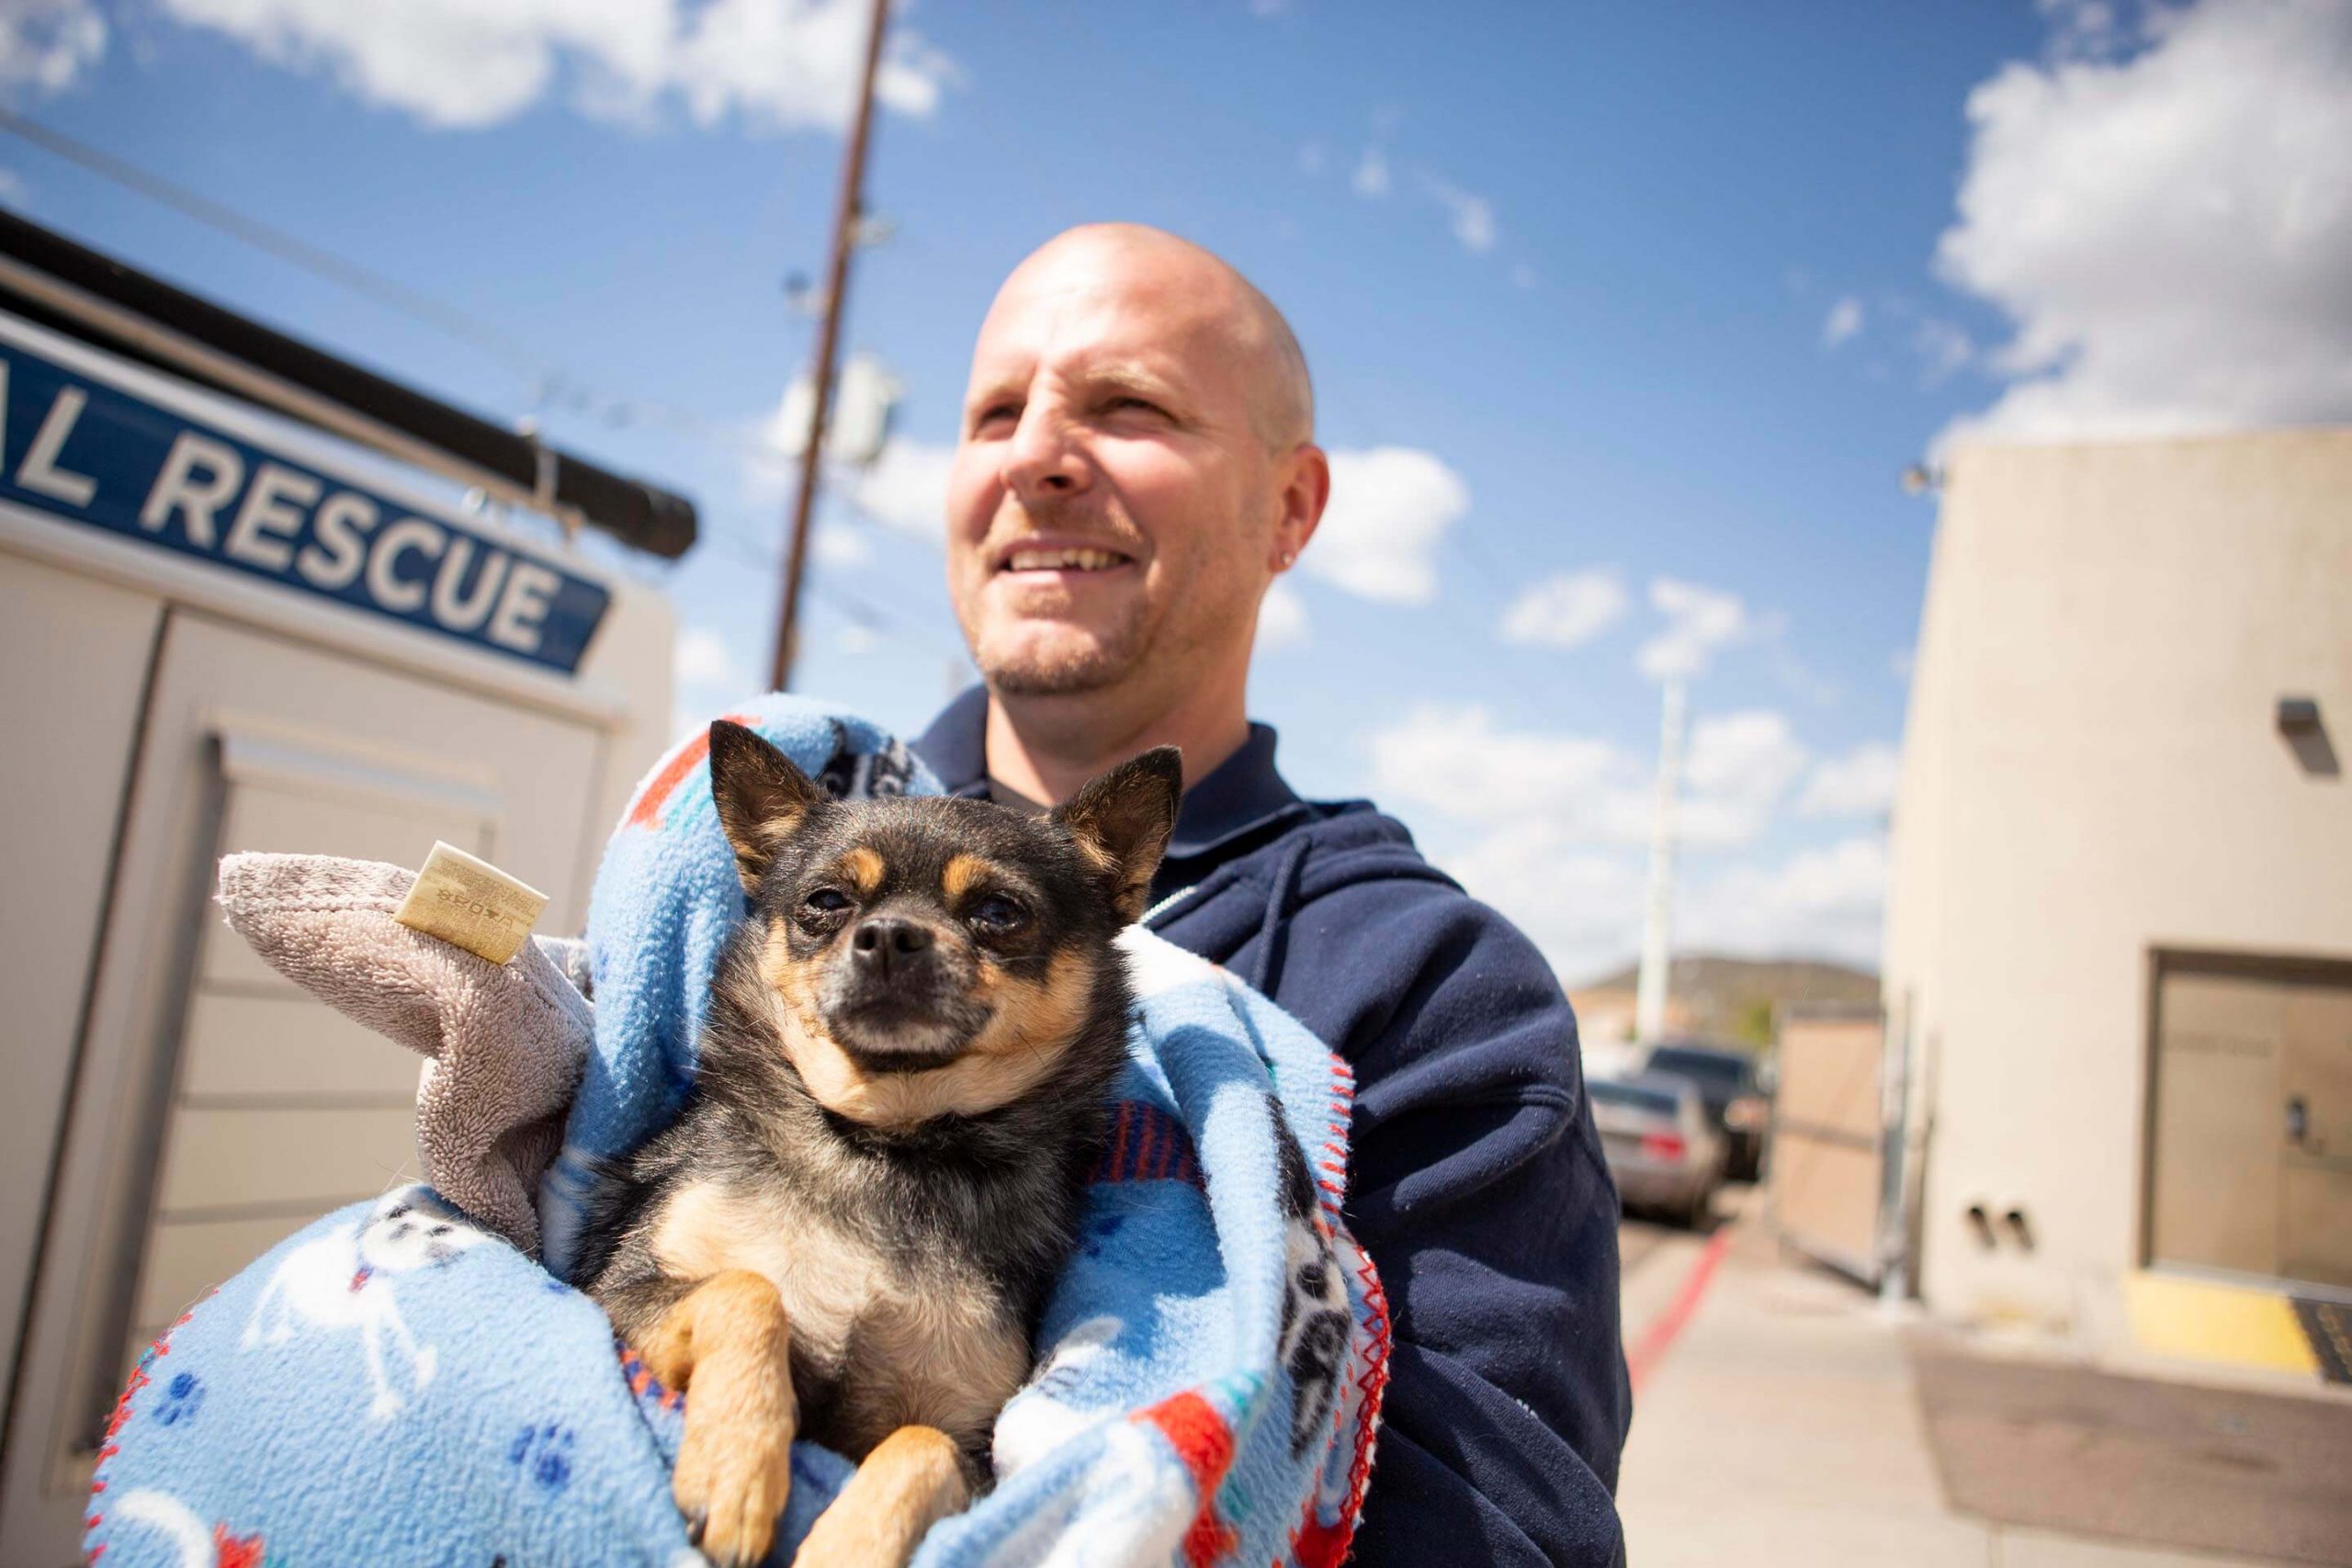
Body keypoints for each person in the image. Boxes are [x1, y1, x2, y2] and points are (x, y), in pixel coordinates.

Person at [908, 223, 1631, 1566]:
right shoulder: (771, 873)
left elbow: (1489, 1540)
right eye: (996, 410)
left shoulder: (1434, 997)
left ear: (1291, 509)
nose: (1037, 453)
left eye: (1128, 406)